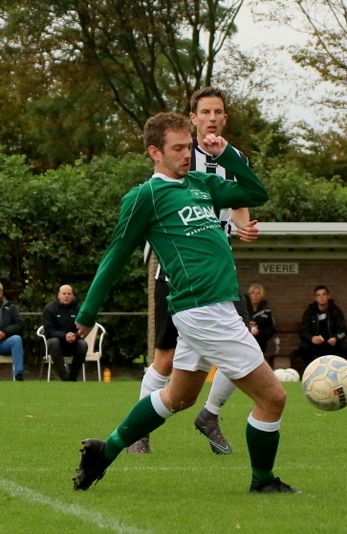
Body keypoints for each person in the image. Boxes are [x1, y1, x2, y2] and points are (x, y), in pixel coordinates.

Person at [72, 112, 297, 494]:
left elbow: (256, 194)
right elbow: (116, 254)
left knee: (178, 397)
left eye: (188, 147)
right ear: (154, 152)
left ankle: (103, 451)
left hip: (211, 307)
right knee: (273, 397)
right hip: (203, 310)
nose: (187, 155)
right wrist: (87, 313)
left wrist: (225, 154)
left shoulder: (202, 184)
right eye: (177, 149)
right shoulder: (146, 196)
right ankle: (263, 481)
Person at [129, 87, 259, 455]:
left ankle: (210, 414)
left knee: (244, 344)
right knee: (166, 359)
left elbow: (239, 205)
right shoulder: (181, 155)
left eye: (218, 111)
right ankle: (140, 431)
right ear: (194, 118)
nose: (213, 118)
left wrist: (244, 226)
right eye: (206, 112)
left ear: (225, 118)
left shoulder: (235, 159)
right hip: (178, 273)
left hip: (219, 273)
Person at [295, 285, 347, 371]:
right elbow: (303, 331)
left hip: (332, 345)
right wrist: (312, 338)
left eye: (324, 294)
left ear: (328, 296)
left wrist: (336, 338)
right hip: (315, 345)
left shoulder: (336, 311)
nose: (321, 297)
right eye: (318, 295)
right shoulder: (309, 312)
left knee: (345, 347)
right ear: (315, 298)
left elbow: (343, 331)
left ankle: (344, 371)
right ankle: (311, 371)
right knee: (303, 346)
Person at [42, 285, 88, 382]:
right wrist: (64, 336)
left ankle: (73, 377)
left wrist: (75, 335)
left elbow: (83, 328)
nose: (66, 296)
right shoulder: (49, 309)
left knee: (83, 344)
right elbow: (49, 331)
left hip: (73, 343)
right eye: (64, 294)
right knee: (53, 342)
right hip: (56, 344)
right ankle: (64, 377)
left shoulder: (78, 309)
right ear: (58, 295)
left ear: (72, 296)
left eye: (69, 294)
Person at [236, 282, 276, 354]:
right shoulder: (242, 309)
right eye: (253, 293)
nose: (255, 295)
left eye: (258, 293)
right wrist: (248, 325)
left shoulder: (266, 311)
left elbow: (270, 329)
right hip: (244, 342)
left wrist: (259, 332)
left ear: (262, 295)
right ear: (249, 295)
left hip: (260, 343)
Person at [0, 282, 25, 381]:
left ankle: (18, 374)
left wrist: (4, 332)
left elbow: (20, 325)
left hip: (4, 343)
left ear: (1, 292)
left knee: (16, 339)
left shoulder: (11, 308)